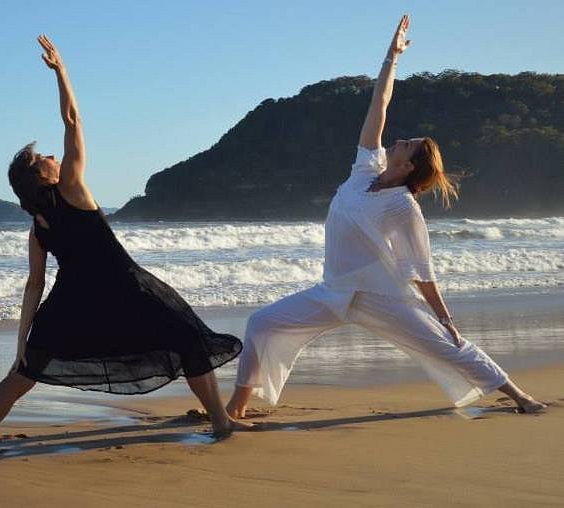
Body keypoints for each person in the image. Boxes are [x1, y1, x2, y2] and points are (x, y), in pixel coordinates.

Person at [226, 15, 546, 418]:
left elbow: (421, 268)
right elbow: (379, 105)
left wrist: (444, 318)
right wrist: (391, 57)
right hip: (332, 292)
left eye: (407, 144)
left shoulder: (402, 206)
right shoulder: (364, 172)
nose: (398, 140)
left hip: (380, 297)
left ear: (409, 166)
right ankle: (234, 411)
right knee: (261, 323)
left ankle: (519, 396)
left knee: (445, 344)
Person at [0, 35, 250, 450]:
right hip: (127, 289)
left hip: (72, 304)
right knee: (189, 340)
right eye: (45, 158)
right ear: (42, 175)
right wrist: (62, 71)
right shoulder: (73, 187)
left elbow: (34, 285)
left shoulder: (38, 224)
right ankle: (221, 423)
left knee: (21, 374)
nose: (53, 158)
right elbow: (73, 121)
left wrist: (22, 340)